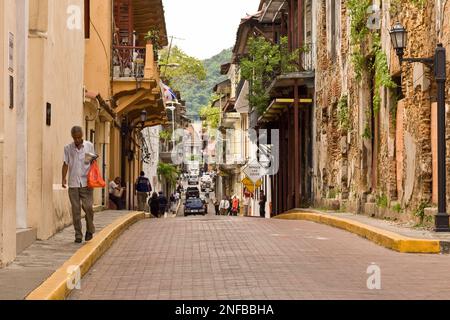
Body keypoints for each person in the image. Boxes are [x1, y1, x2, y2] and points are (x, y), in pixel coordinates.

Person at [62, 126, 97, 244]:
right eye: (75, 138)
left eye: (79, 137)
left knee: (88, 207)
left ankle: (90, 229)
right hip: (73, 183)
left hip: (86, 183)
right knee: (76, 210)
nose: (77, 140)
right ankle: (78, 234)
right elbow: (65, 163)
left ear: (82, 136)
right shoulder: (68, 148)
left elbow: (92, 162)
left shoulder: (89, 146)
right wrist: (63, 179)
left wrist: (94, 177)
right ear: (72, 137)